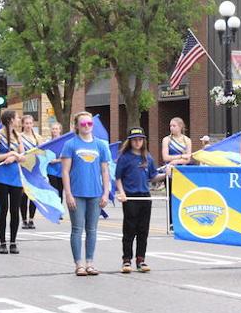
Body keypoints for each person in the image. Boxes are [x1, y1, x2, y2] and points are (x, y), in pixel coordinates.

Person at [61, 112, 112, 276]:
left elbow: (105, 171)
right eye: (83, 124)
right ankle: (79, 264)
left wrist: (106, 193)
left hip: (95, 193)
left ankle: (90, 262)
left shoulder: (101, 146)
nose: (87, 127)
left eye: (89, 123)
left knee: (92, 229)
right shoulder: (70, 144)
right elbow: (65, 171)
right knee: (77, 229)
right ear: (76, 126)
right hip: (76, 193)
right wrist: (68, 193)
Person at [115, 127, 167, 273]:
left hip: (145, 196)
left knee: (143, 230)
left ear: (143, 141)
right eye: (134, 140)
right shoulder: (124, 158)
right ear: (130, 141)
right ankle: (126, 260)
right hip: (131, 197)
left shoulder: (147, 158)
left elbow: (153, 177)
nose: (137, 142)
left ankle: (141, 259)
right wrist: (122, 193)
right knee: (129, 229)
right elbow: (118, 177)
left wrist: (166, 175)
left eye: (140, 139)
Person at [0, 110, 24, 254]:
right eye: (17, 118)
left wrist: (16, 157)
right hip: (1, 177)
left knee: (15, 210)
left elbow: (23, 156)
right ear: (10, 119)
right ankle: (2, 242)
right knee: (3, 209)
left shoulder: (18, 136)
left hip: (16, 177)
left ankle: (13, 242)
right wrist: (9, 155)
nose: (19, 120)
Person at [162, 117, 193, 227]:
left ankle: (183, 220)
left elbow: (188, 158)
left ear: (180, 127)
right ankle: (171, 222)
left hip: (183, 171)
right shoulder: (167, 140)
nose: (171, 128)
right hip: (170, 172)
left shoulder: (187, 140)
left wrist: (175, 161)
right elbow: (165, 157)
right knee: (171, 196)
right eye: (170, 126)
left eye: (174, 126)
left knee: (183, 196)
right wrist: (180, 156)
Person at [19, 114, 44, 229]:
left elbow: (43, 153)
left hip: (35, 168)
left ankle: (31, 219)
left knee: (33, 195)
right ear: (23, 124)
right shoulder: (19, 137)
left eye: (30, 123)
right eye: (26, 123)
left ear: (33, 124)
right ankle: (24, 219)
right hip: (23, 168)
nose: (28, 125)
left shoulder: (38, 137)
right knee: (24, 195)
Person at [46, 122, 65, 200]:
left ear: (60, 130)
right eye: (53, 129)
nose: (54, 130)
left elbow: (66, 157)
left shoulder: (64, 142)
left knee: (60, 191)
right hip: (51, 170)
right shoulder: (48, 142)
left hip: (61, 170)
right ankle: (54, 208)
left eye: (56, 129)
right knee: (54, 190)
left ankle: (59, 209)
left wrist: (57, 160)